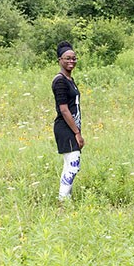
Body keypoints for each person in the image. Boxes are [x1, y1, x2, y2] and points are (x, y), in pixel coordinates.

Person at [52, 41, 83, 199]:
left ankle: (65, 197)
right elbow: (64, 109)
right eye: (67, 58)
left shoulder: (69, 79)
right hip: (65, 128)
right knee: (73, 164)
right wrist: (77, 132)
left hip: (71, 127)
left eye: (74, 58)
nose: (71, 61)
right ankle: (63, 200)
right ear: (59, 60)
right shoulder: (60, 81)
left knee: (71, 164)